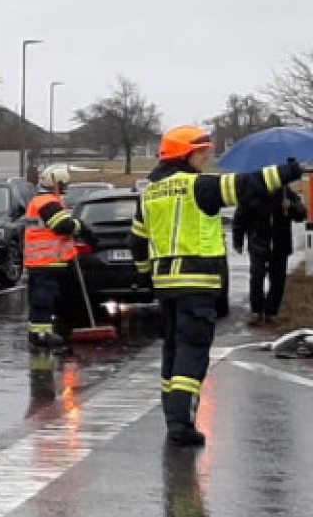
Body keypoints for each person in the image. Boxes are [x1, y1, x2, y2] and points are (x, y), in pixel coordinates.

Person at [132, 126, 301, 446]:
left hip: (166, 286)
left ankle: (173, 417)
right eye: (201, 152)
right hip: (197, 283)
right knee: (192, 351)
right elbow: (246, 186)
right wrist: (288, 171)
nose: (205, 158)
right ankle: (181, 424)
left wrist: (145, 276)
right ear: (185, 154)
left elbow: (136, 242)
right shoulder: (198, 186)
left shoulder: (149, 193)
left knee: (172, 351)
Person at [22, 164, 90, 350]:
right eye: (64, 184)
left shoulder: (40, 201)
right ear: (57, 184)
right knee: (44, 298)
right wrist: (80, 226)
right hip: (46, 261)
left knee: (40, 298)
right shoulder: (48, 202)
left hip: (39, 260)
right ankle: (41, 335)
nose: (66, 188)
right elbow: (62, 226)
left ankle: (37, 332)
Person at [232, 182, 306, 326]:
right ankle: (256, 311)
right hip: (258, 243)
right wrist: (238, 241)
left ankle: (271, 312)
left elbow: (301, 214)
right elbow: (239, 219)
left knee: (278, 280)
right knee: (257, 277)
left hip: (280, 245)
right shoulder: (251, 193)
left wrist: (290, 206)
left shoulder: (285, 192)